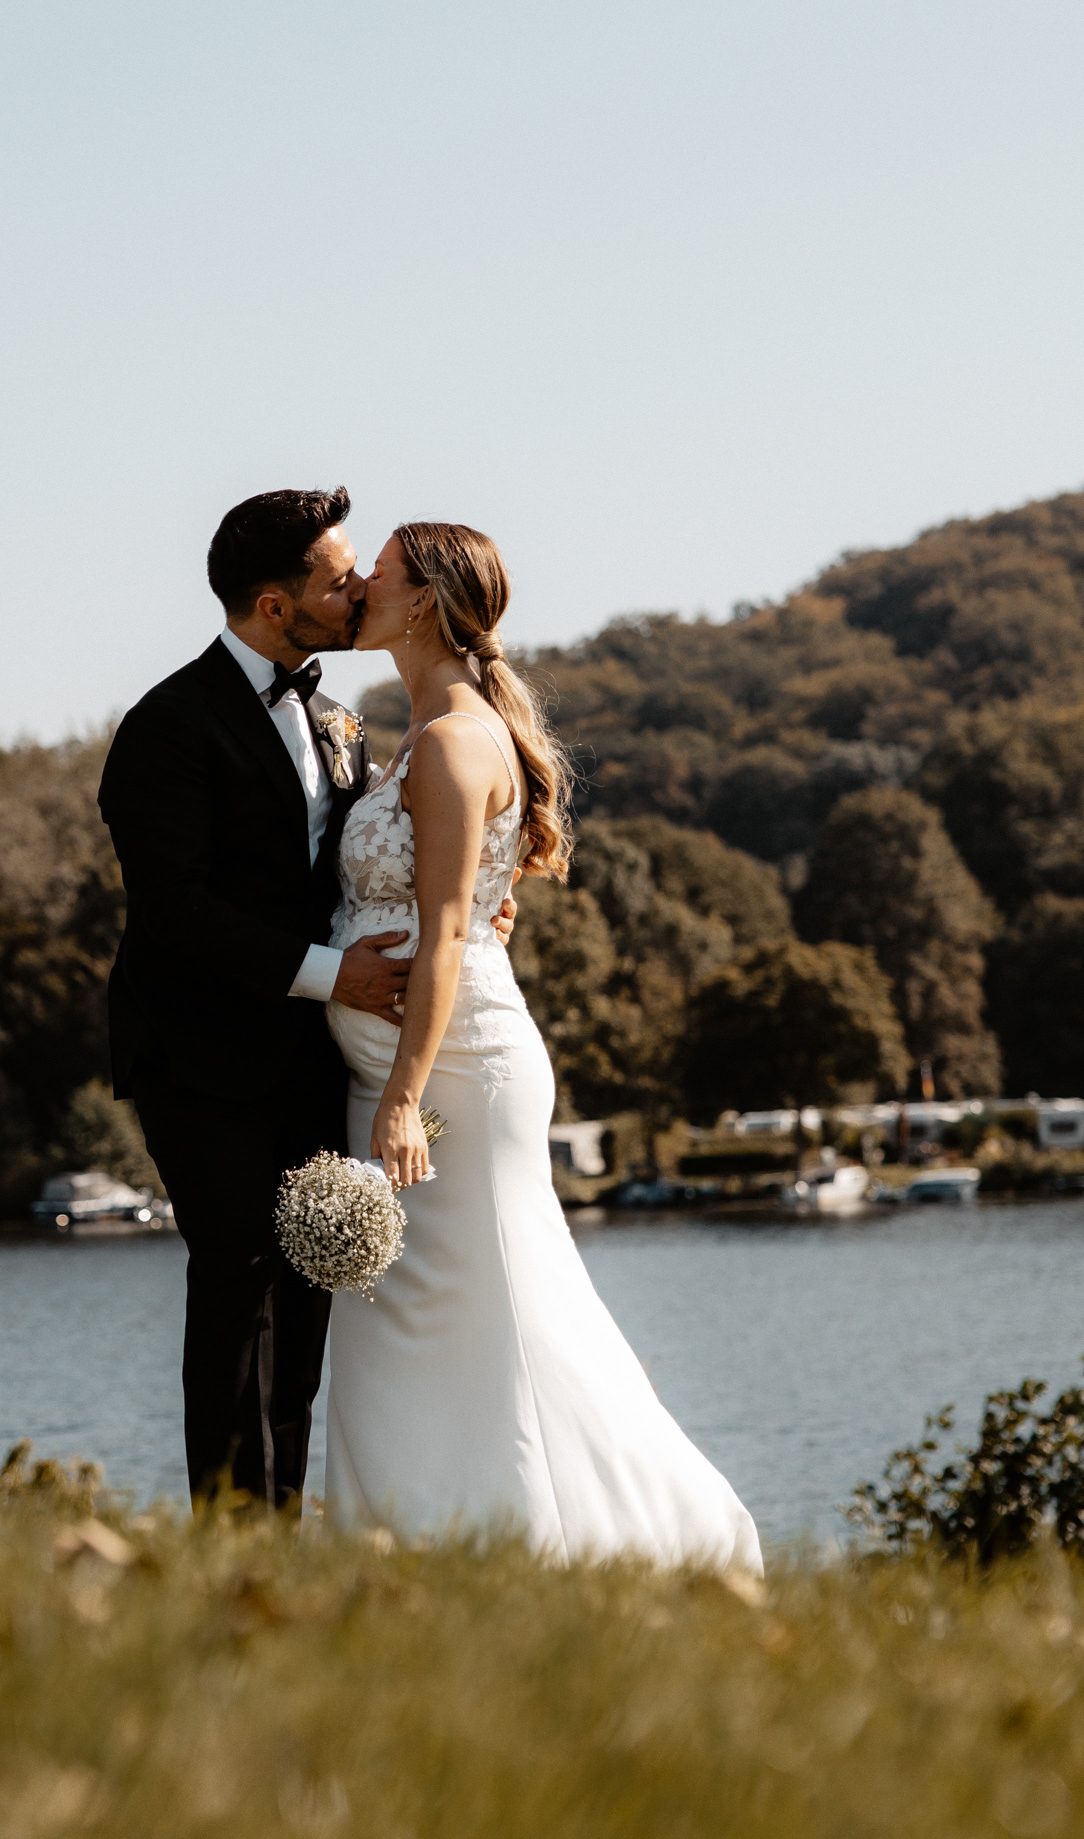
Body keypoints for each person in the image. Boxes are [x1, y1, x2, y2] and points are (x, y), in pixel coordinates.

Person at [325, 522, 763, 1571]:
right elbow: (478, 902)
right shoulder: (425, 731)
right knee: (418, 1316)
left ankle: (633, 1535)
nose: (355, 587)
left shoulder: (450, 741)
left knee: (492, 1307)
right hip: (403, 1064)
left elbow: (441, 941)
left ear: (423, 599)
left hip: (446, 1076)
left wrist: (401, 1095)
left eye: (375, 573)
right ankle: (424, 1541)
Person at [98, 487, 514, 1511]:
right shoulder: (165, 728)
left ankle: (287, 1520)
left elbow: (365, 873)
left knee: (308, 1283)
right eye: (336, 579)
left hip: (310, 1056)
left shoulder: (338, 722)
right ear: (276, 606)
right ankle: (234, 1528)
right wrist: (342, 975)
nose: (358, 587)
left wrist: (473, 912)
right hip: (199, 1056)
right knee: (237, 1273)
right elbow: (175, 915)